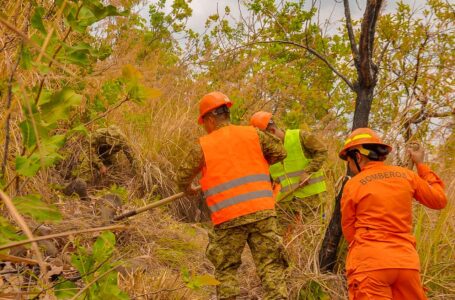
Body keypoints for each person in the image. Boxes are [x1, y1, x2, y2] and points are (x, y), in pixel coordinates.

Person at [176, 92, 288, 300]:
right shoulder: (253, 134)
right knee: (271, 266)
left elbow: (182, 176)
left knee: (226, 270)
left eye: (204, 123)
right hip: (262, 212)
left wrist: (188, 188)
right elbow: (281, 152)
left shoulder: (203, 145)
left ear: (210, 119)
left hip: (228, 218)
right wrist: (257, 162)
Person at [339, 128, 447, 300]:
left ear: (358, 157)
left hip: (370, 265)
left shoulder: (354, 185)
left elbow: (349, 230)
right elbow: (439, 200)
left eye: (348, 161)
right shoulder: (406, 176)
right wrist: (421, 165)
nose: (350, 167)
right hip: (406, 265)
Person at [250, 111, 327, 233]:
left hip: (311, 197)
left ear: (271, 132)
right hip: (286, 200)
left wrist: (308, 171)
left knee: (312, 234)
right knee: (278, 235)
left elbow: (322, 151)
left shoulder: (300, 136)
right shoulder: (268, 151)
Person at [62, 125, 137, 200]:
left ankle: (112, 191)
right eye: (110, 136)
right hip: (90, 151)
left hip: (107, 154)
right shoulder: (98, 134)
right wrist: (100, 165)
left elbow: (131, 156)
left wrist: (137, 171)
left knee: (116, 170)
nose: (112, 139)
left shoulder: (122, 140)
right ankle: (79, 190)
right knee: (85, 169)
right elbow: (90, 150)